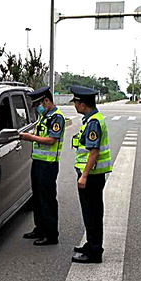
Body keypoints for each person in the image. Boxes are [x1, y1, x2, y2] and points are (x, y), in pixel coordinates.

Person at [70, 85, 112, 263]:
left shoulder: (94, 122)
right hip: (91, 175)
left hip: (92, 176)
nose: (74, 105)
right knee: (90, 213)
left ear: (82, 104)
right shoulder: (91, 119)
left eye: (76, 102)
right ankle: (91, 244)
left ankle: (94, 251)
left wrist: (84, 175)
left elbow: (93, 152)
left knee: (92, 213)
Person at [19, 87, 66, 246]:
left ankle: (51, 234)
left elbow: (52, 139)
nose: (37, 107)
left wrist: (30, 138)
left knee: (47, 199)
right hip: (38, 162)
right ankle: (39, 228)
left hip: (49, 164)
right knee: (37, 197)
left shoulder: (57, 118)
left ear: (46, 100)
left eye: (39, 103)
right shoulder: (44, 116)